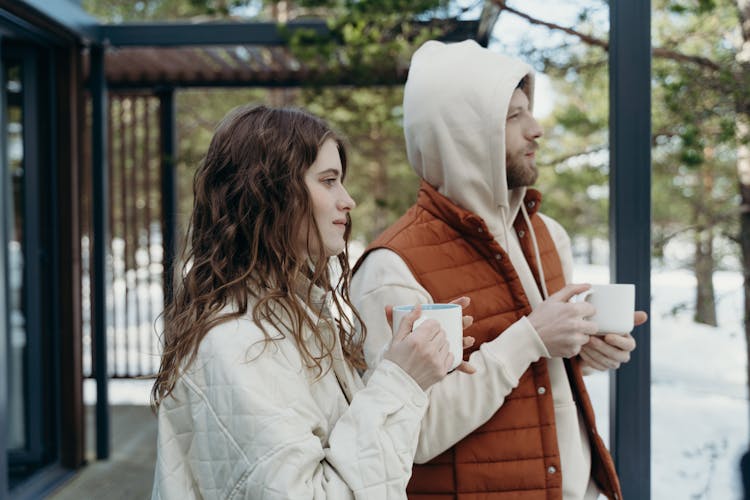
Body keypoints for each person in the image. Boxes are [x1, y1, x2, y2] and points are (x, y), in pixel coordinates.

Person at [351, 40, 648, 499]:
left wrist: (583, 355)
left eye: (530, 111)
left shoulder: (547, 233)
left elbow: (537, 379)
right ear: (462, 134)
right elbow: (416, 434)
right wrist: (529, 339)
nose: (537, 130)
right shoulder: (394, 267)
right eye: (513, 117)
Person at [150, 105, 473, 499]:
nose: (348, 200)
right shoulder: (238, 342)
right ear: (270, 192)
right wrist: (400, 382)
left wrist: (403, 366)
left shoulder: (289, 315)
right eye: (329, 181)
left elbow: (339, 449)